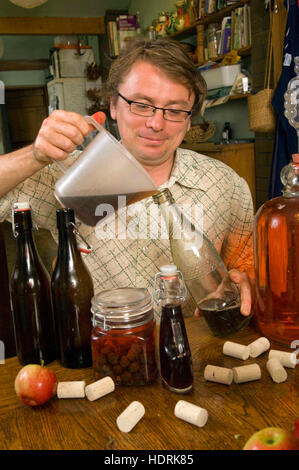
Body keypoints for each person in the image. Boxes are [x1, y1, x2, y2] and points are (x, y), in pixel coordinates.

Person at [0, 38, 254, 319]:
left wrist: (247, 283)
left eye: (175, 110)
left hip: (201, 351)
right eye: (142, 105)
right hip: (108, 353)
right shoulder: (69, 175)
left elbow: (245, 269)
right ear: (113, 105)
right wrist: (35, 156)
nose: (156, 124)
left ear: (189, 119)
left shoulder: (226, 185)